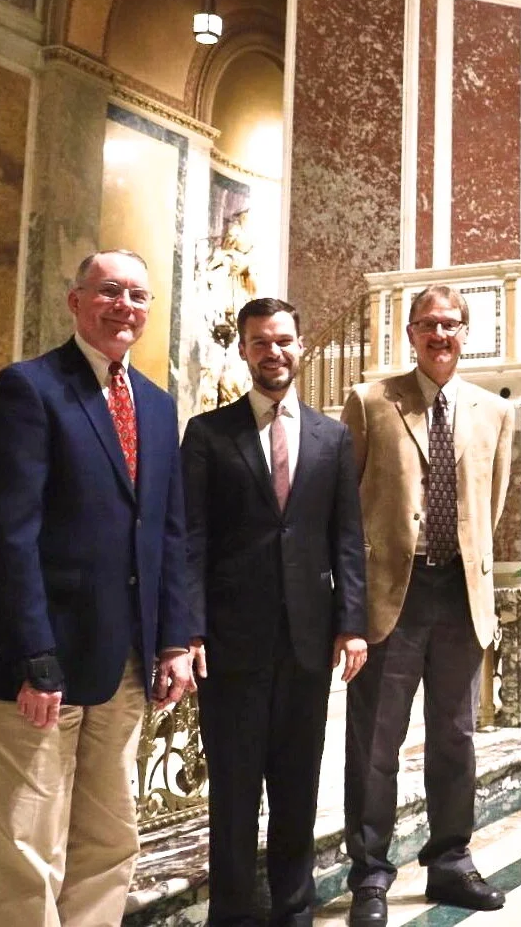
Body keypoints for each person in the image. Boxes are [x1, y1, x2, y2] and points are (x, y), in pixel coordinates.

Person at [0, 249, 197, 926]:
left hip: (124, 661)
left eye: (137, 295)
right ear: (76, 301)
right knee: (28, 844)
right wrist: (34, 656)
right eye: (108, 291)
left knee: (109, 840)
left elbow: (169, 534)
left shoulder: (156, 405)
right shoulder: (30, 387)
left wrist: (174, 640)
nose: (124, 306)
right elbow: (7, 535)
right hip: (43, 663)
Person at [182, 298, 369, 927]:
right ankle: (231, 914)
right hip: (229, 645)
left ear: (300, 345)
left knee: (297, 787)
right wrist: (189, 628)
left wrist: (352, 623)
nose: (274, 352)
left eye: (283, 340)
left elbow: (347, 538)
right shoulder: (209, 434)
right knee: (234, 792)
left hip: (307, 643)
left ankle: (294, 911)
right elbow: (190, 539)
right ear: (244, 350)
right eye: (260, 342)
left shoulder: (332, 437)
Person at [342, 285, 516, 922]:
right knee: (376, 742)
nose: (439, 335)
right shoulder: (370, 401)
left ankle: (450, 862)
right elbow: (345, 506)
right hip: (394, 593)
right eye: (427, 325)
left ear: (466, 333)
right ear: (410, 333)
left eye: (450, 324)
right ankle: (369, 876)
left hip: (460, 596)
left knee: (455, 737)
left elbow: (490, 506)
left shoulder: (495, 412)